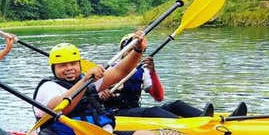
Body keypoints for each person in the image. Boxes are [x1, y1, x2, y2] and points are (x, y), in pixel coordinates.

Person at [33, 36, 187, 135]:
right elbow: (62, 108)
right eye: (62, 66)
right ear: (54, 68)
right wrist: (86, 80)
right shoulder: (48, 87)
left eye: (73, 64)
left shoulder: (87, 81)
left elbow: (120, 72)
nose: (69, 69)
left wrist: (137, 51)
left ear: (79, 64)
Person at [102, 34, 247, 118]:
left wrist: (153, 73)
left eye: (137, 50)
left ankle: (218, 119)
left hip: (134, 109)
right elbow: (91, 94)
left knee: (176, 104)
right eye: (130, 50)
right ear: (123, 52)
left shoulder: (142, 70)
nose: (134, 54)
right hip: (117, 113)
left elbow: (158, 97)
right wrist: (101, 94)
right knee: (153, 111)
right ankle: (188, 126)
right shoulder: (111, 70)